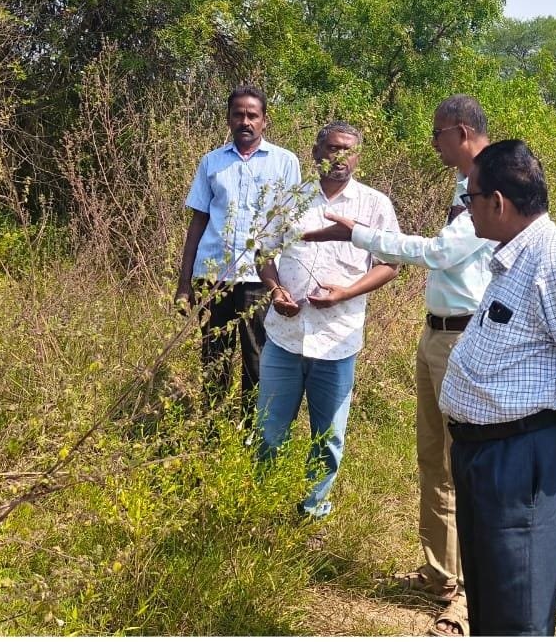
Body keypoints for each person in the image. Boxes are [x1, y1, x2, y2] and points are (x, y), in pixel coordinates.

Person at [302, 95, 493, 636]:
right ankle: (439, 576)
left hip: (464, 340)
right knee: (433, 461)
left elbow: (440, 253)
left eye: (437, 134)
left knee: (464, 469)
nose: (432, 144)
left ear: (459, 132)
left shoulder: (488, 180)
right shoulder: (464, 184)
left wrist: (355, 234)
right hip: (437, 336)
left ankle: (463, 600)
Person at [438, 139, 556, 636]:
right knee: (491, 603)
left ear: (497, 203)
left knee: (517, 613)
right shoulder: (514, 257)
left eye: (470, 196)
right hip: (488, 458)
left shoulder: (554, 263)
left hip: (518, 463)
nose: (465, 206)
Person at [256, 121, 400, 519]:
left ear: (358, 156)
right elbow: (263, 254)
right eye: (333, 149)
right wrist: (275, 291)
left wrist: (347, 293)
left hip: (338, 340)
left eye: (348, 150)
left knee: (328, 438)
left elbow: (390, 264)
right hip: (284, 336)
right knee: (269, 432)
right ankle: (257, 506)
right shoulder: (289, 198)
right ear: (316, 152)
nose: (340, 158)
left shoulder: (375, 205)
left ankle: (311, 511)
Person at [175, 83, 301, 435]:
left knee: (257, 360)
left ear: (264, 121)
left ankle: (251, 436)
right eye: (238, 114)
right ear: (229, 119)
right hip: (213, 276)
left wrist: (286, 281)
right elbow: (198, 221)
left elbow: (290, 224)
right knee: (214, 358)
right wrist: (184, 284)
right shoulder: (212, 162)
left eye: (252, 115)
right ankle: (211, 434)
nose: (245, 121)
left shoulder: (285, 162)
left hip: (260, 279)